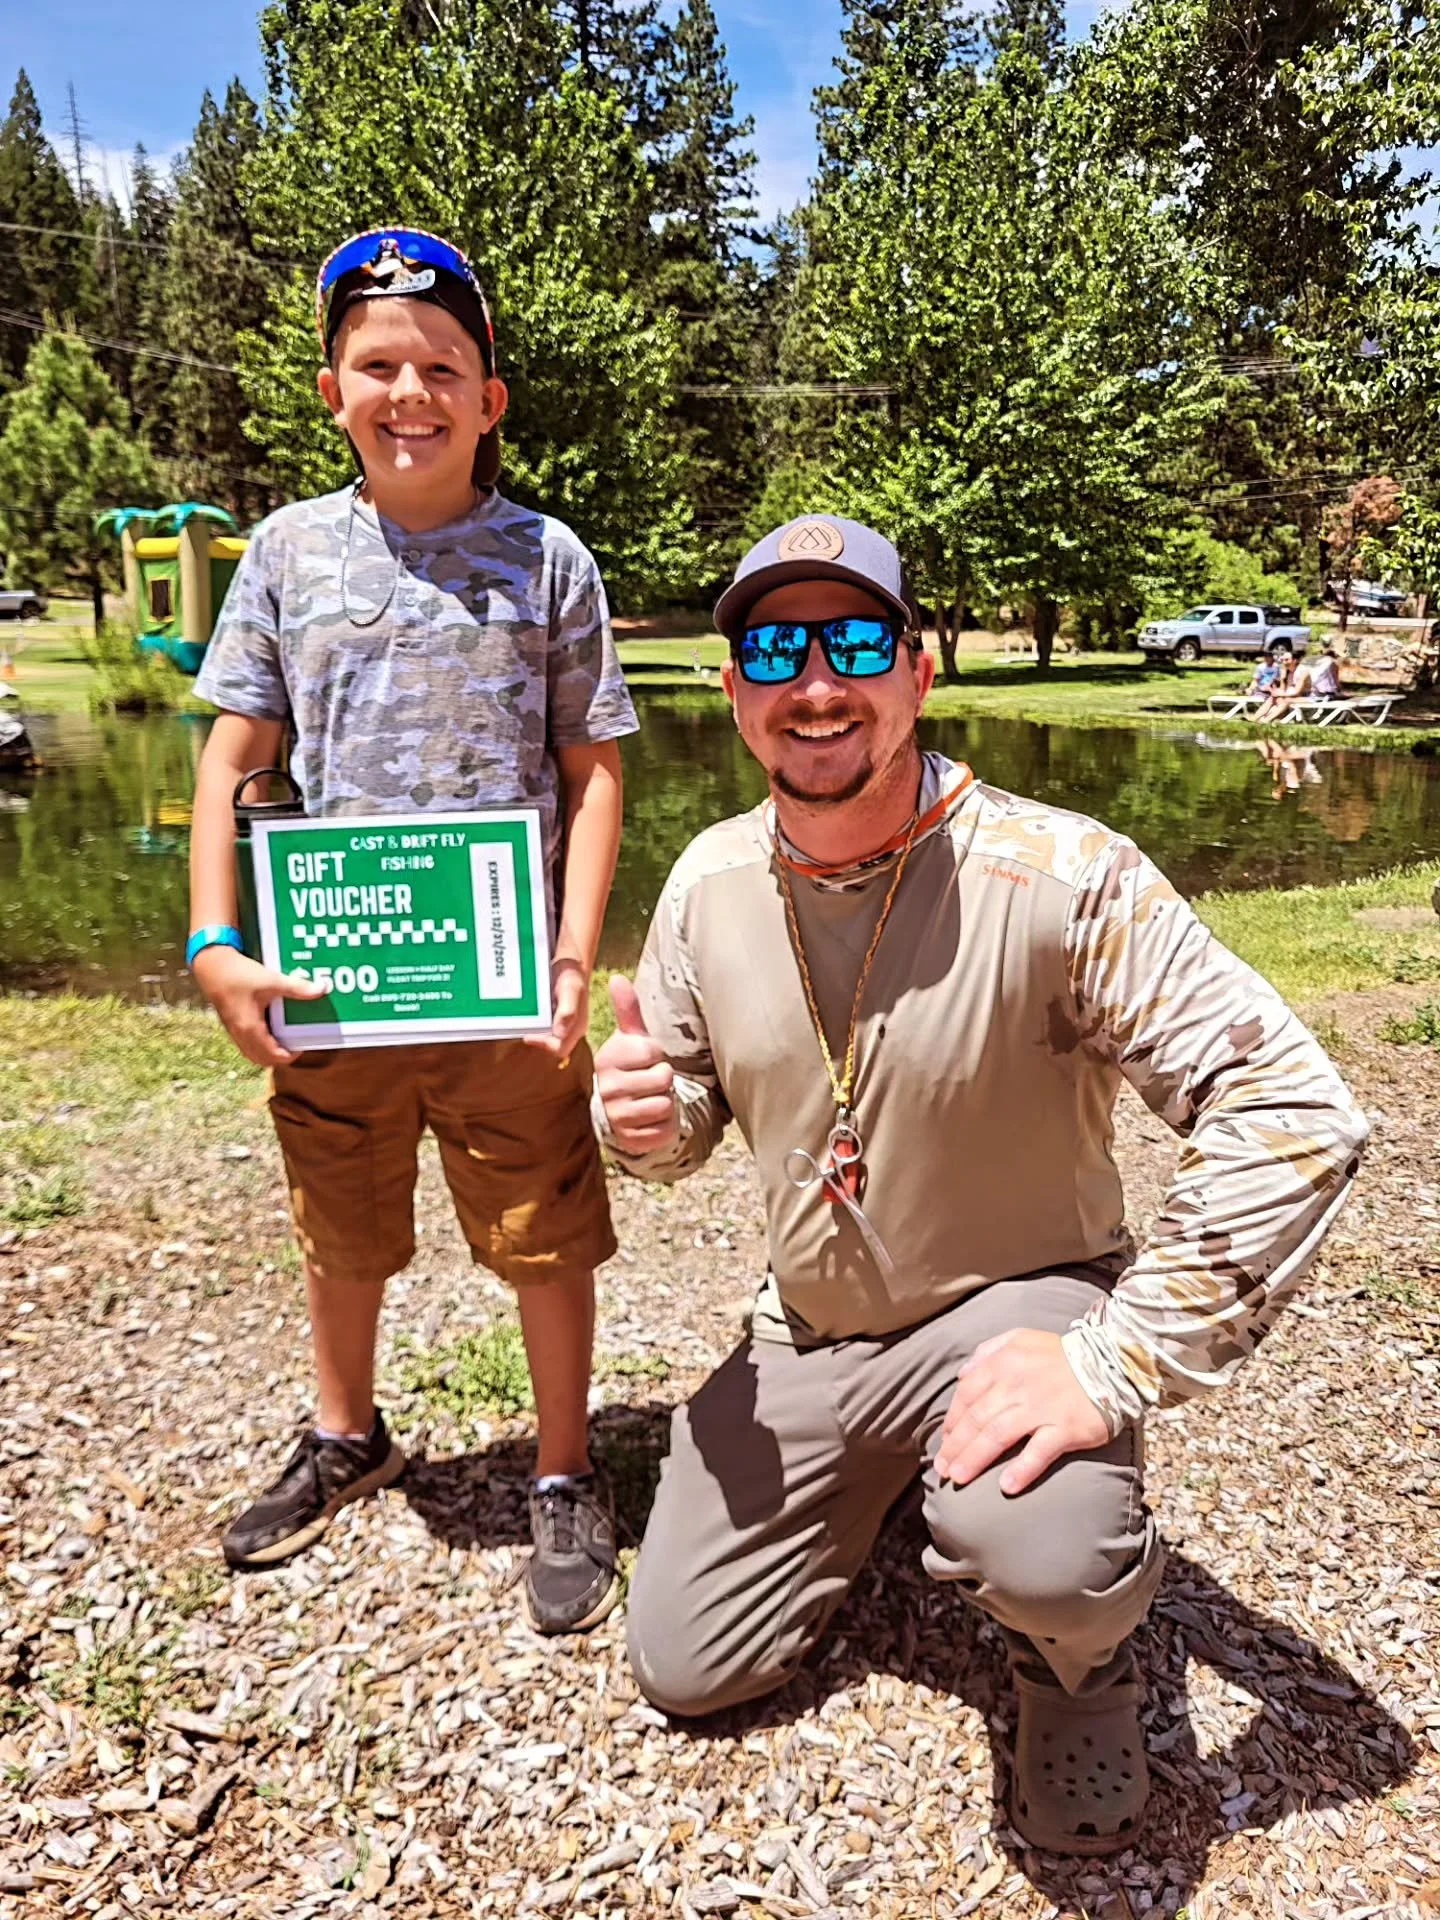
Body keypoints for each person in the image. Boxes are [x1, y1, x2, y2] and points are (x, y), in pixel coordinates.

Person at [593, 515, 1367, 1854]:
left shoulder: (1057, 873)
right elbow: (688, 1114)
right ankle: (898, 1477)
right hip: (812, 1329)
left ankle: (1078, 1668)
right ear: (732, 689)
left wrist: (1116, 1362)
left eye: (855, 643)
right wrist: (647, 1124)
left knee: (1052, 1557)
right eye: (775, 647)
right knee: (688, 1663)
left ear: (917, 669)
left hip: (1021, 1302)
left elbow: (1295, 1109)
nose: (816, 684)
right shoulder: (708, 880)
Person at [187, 228, 638, 1634]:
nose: (410, 391)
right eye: (377, 365)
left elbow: (595, 765)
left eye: (440, 366)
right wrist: (214, 940)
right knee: (341, 1216)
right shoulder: (284, 551)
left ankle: (564, 1472)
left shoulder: (547, 557)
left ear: (488, 398)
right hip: (336, 978)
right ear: (333, 390)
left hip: (508, 987)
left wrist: (570, 951)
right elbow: (230, 757)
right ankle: (346, 1434)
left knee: (543, 1226)